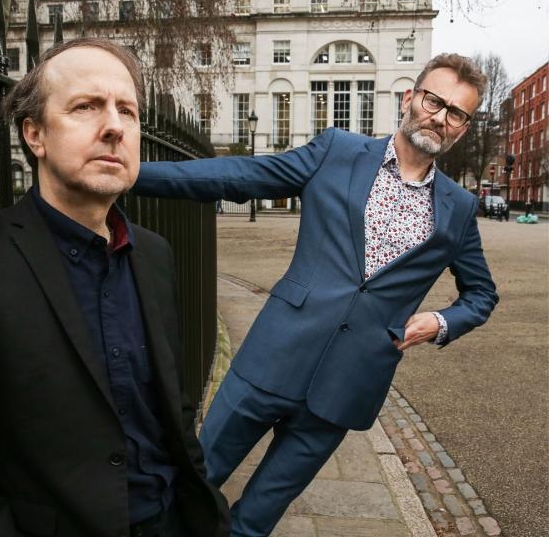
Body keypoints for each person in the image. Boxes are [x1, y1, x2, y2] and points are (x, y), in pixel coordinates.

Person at [133, 53, 499, 536]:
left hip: (346, 387)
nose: (441, 116)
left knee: (256, 519)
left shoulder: (459, 207)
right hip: (272, 358)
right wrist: (133, 175)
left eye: (457, 112)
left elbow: (481, 294)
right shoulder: (337, 151)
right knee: (192, 487)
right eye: (435, 100)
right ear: (409, 98)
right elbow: (242, 178)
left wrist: (441, 322)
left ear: (464, 128)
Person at [0, 38, 229, 537]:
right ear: (35, 134)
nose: (115, 126)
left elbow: (171, 405)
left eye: (128, 110)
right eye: (86, 107)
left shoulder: (156, 254)